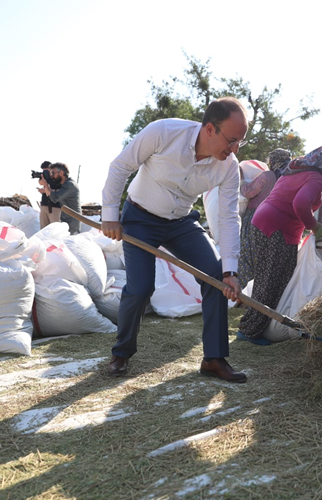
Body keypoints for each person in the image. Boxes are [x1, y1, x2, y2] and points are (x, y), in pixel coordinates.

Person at [100, 97, 248, 383]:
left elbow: (229, 217)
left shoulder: (229, 167)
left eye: (239, 141)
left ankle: (214, 359)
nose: (234, 150)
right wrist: (110, 214)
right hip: (140, 218)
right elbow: (120, 166)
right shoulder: (164, 132)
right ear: (209, 129)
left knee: (216, 278)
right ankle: (121, 352)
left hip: (181, 223)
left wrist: (230, 270)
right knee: (141, 287)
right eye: (231, 140)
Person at [237, 142, 322, 346]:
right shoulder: (315, 178)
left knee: (268, 279)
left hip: (266, 222)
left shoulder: (298, 169)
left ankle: (257, 327)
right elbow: (300, 204)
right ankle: (249, 331)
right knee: (271, 281)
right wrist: (315, 227)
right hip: (277, 228)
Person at [236, 149, 291, 288]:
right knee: (266, 258)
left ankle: (244, 291)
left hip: (255, 218)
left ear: (272, 161)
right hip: (278, 222)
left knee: (247, 254)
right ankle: (260, 291)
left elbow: (248, 192)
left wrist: (241, 182)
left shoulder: (268, 176)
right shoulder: (288, 178)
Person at [40, 162, 80, 234]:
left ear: (61, 173)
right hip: (66, 220)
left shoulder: (70, 185)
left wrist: (46, 184)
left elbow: (55, 198)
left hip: (72, 223)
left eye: (53, 173)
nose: (51, 176)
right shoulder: (65, 184)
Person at [36, 160, 62, 228]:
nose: (45, 172)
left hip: (54, 207)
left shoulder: (58, 178)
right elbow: (41, 183)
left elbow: (60, 191)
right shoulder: (45, 178)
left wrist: (45, 190)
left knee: (55, 229)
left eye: (46, 170)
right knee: (43, 230)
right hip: (44, 205)